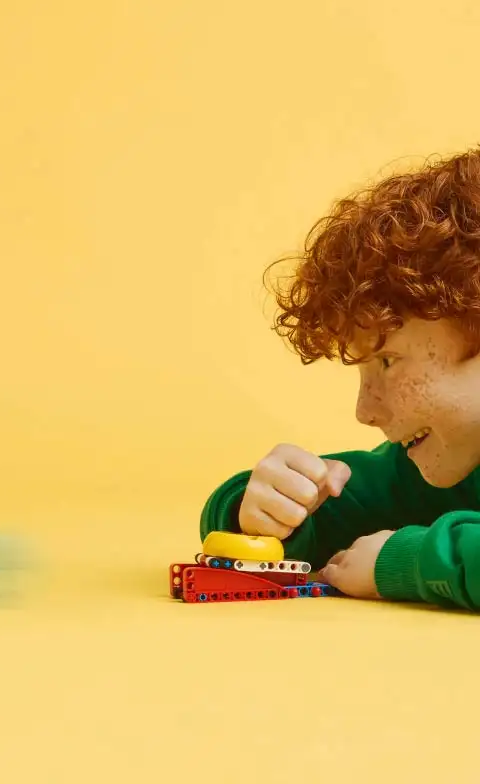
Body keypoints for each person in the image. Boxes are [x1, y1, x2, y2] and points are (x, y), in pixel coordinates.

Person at [199, 146, 480, 610]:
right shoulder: (446, 461)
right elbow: (345, 505)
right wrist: (265, 510)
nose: (364, 411)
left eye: (388, 361)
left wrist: (408, 563)